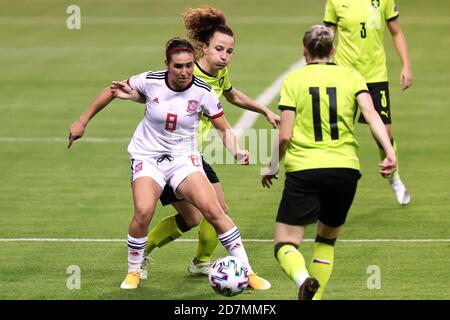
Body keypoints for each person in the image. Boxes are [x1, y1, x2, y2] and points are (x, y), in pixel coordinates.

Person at [68, 37, 269, 290]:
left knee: (214, 210)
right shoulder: (150, 81)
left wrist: (237, 151)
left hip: (184, 159)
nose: (185, 72)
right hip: (147, 157)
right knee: (143, 211)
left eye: (189, 66)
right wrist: (82, 121)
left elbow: (224, 127)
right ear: (167, 64)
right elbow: (112, 90)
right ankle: (133, 271)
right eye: (178, 66)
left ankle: (247, 272)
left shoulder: (203, 91)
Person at [136, 6, 276, 290]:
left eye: (229, 51)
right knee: (205, 213)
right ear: (204, 48)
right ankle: (145, 256)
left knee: (205, 213)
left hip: (193, 157)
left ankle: (197, 261)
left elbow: (231, 93)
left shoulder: (219, 75)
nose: (224, 56)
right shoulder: (189, 75)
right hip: (169, 157)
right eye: (219, 49)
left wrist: (262, 109)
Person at [261, 25, 397, 300]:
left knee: (285, 242)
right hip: (345, 170)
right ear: (333, 50)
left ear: (304, 51)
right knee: (326, 240)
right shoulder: (352, 76)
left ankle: (302, 279)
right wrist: (389, 151)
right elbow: (372, 115)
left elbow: (285, 134)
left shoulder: (294, 80)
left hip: (304, 170)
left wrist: (272, 165)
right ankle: (315, 297)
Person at [324, 0, 412, 205]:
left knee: (384, 134)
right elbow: (328, 35)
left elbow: (396, 32)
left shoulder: (384, 1)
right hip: (344, 75)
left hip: (375, 76)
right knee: (336, 132)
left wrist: (406, 65)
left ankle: (394, 177)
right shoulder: (335, 1)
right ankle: (329, 186)